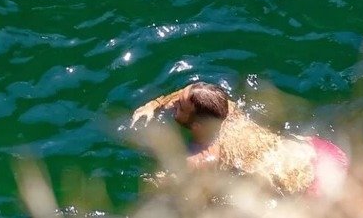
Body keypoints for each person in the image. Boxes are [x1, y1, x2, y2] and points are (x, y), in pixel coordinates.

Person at [130, 81, 348, 197]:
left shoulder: (205, 156)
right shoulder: (227, 110)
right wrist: (154, 104)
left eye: (179, 106)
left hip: (315, 186)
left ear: (197, 124)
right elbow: (193, 91)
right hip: (320, 151)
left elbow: (157, 186)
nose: (173, 103)